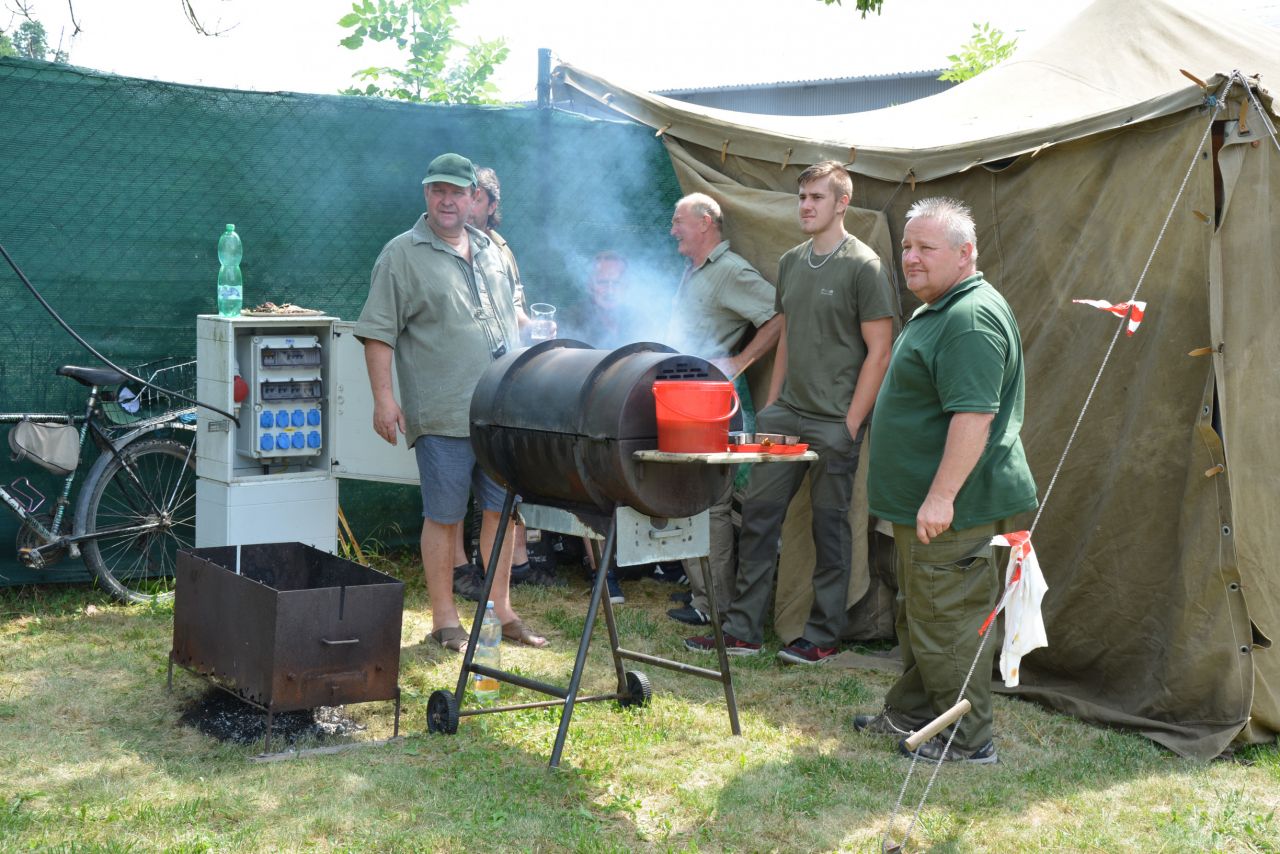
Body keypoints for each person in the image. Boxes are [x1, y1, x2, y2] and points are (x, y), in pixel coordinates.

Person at [684, 160, 896, 664]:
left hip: (834, 422)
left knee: (829, 529)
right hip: (785, 418)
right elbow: (788, 334)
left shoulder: (864, 266)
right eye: (802, 197)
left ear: (842, 203)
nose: (806, 206)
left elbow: (881, 351)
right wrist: (773, 404)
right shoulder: (792, 262)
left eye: (817, 197)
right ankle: (742, 631)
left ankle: (822, 636)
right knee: (758, 519)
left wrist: (851, 424)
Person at [854, 197, 1037, 764]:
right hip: (926, 509)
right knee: (923, 614)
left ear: (965, 253)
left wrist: (940, 497)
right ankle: (914, 713)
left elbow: (973, 416)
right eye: (906, 246)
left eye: (925, 247)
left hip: (954, 509)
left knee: (947, 621)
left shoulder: (968, 318)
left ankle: (967, 739)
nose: (910, 257)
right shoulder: (942, 307)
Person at [354, 152, 546, 653]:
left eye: (457, 192)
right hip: (442, 411)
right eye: (438, 190)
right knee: (443, 517)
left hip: (500, 411)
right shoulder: (401, 254)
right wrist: (383, 400)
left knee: (502, 513)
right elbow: (378, 333)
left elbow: (509, 316)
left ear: (473, 198)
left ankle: (502, 612)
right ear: (426, 194)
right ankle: (444, 620)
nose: (447, 200)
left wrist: (537, 335)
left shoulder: (492, 251)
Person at [664, 192, 782, 626]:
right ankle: (703, 594)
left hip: (710, 406)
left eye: (679, 221)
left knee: (710, 505)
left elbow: (778, 316)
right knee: (685, 498)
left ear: (705, 223)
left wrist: (739, 361)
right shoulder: (695, 270)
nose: (673, 230)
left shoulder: (730, 270)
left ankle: (716, 606)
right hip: (682, 401)